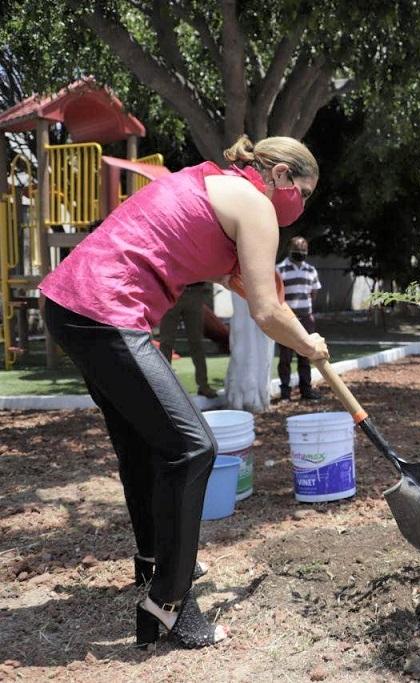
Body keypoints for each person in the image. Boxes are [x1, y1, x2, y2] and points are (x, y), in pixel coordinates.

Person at [40, 135, 329, 649]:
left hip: (70, 302)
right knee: (193, 448)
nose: (300, 207)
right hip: (104, 309)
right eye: (303, 193)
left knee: (143, 444)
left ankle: (154, 564)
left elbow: (220, 266)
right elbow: (267, 311)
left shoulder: (216, 184)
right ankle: (167, 605)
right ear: (282, 175)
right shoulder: (257, 204)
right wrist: (308, 344)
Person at [276, 236, 321, 400]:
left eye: (303, 251)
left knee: (305, 355)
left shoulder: (311, 270)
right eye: (297, 250)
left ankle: (306, 390)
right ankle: (285, 393)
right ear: (290, 250)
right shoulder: (279, 270)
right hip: (286, 320)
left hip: (306, 318)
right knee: (285, 357)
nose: (301, 253)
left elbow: (313, 293)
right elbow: (276, 294)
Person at [158, 282, 219, 398]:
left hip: (194, 291)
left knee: (197, 342)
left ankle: (203, 386)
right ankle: (164, 387)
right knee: (166, 342)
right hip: (171, 292)